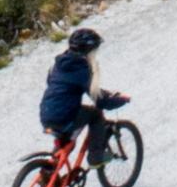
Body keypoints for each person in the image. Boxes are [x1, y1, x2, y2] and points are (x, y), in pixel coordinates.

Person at [38, 27, 127, 178]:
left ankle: (48, 172)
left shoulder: (58, 63)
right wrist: (120, 99)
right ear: (88, 51)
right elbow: (100, 100)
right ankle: (96, 158)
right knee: (95, 115)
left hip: (46, 113)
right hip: (65, 116)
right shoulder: (82, 69)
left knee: (66, 141)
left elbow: (52, 82)